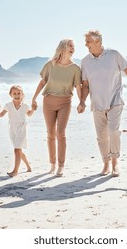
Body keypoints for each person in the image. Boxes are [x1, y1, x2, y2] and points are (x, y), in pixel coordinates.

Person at [78, 30, 127, 177]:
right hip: (97, 104)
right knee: (101, 137)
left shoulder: (114, 55)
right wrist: (82, 101)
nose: (86, 44)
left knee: (113, 132)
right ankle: (106, 164)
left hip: (115, 101)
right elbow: (86, 84)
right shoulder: (85, 62)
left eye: (88, 41)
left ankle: (115, 163)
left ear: (97, 42)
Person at [32, 39, 82, 177]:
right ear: (63, 48)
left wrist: (82, 102)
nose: (72, 48)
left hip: (65, 102)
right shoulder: (50, 65)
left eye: (74, 46)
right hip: (48, 101)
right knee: (50, 133)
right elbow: (43, 82)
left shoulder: (75, 68)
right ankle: (52, 164)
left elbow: (78, 86)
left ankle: (61, 165)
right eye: (70, 46)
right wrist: (34, 98)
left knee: (60, 133)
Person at [0, 85, 35, 177]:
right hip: (12, 128)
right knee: (19, 150)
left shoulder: (25, 106)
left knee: (16, 149)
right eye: (14, 93)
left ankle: (15, 171)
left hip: (22, 128)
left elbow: (29, 114)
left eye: (19, 93)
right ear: (11, 94)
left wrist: (33, 109)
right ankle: (28, 166)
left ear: (22, 95)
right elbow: (1, 115)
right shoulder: (8, 105)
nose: (17, 95)